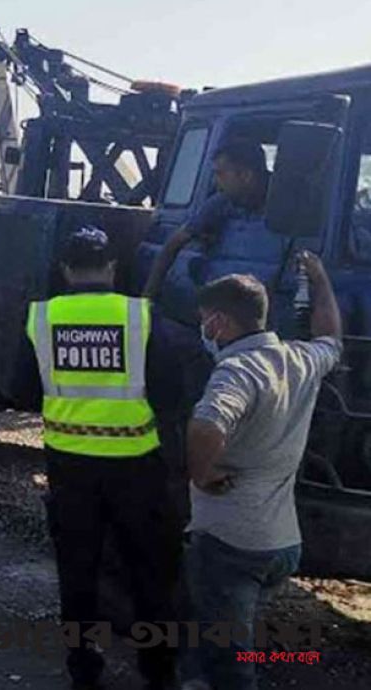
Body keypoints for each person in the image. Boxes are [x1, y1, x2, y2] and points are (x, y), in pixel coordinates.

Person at [24, 226, 179, 690]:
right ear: (112, 267)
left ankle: (84, 670)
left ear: (66, 269)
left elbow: (29, 390)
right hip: (136, 466)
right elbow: (171, 395)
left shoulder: (40, 318)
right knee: (148, 572)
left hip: (69, 465)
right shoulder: (141, 317)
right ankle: (158, 670)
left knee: (78, 572)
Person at [182, 259, 340, 690]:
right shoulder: (301, 358)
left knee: (231, 663)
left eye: (204, 321)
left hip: (231, 543)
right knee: (224, 637)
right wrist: (322, 281)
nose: (204, 330)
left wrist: (203, 474)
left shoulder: (237, 370)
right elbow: (330, 337)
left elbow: (206, 424)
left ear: (218, 321)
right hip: (282, 544)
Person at [143, 138, 270, 297]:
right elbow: (173, 244)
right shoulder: (221, 202)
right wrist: (146, 300)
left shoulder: (287, 201)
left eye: (220, 174)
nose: (216, 182)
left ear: (245, 175)